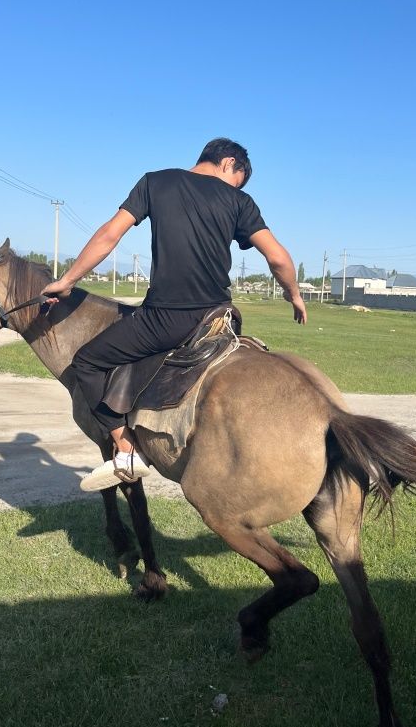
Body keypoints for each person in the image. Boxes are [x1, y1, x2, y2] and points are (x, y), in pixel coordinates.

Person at [41, 138, 306, 491]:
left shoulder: (155, 182)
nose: (234, 189)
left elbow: (109, 235)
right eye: (238, 180)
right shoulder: (240, 202)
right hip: (220, 318)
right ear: (228, 163)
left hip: (167, 318)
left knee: (87, 362)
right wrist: (294, 294)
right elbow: (278, 258)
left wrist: (67, 281)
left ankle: (125, 448)